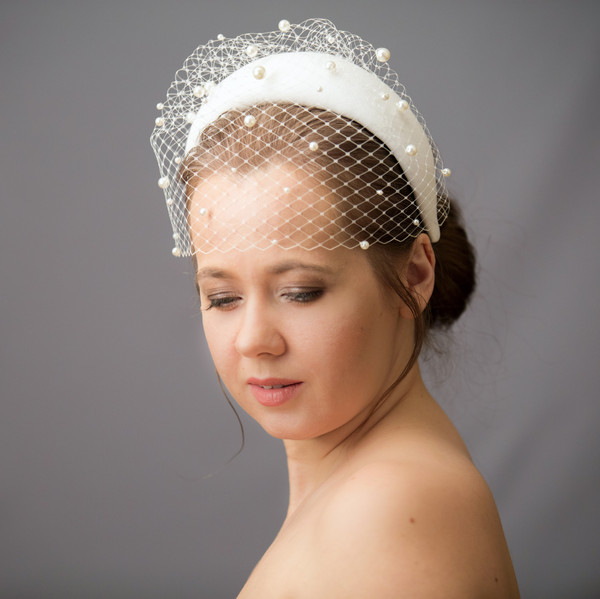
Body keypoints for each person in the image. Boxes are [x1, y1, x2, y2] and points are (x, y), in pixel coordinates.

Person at [151, 18, 520, 598]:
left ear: (414, 275)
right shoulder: (368, 491)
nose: (253, 340)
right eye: (222, 297)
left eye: (300, 292)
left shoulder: (390, 511)